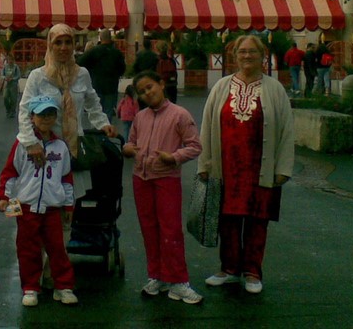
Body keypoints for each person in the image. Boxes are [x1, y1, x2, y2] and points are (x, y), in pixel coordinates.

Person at [17, 24, 118, 288]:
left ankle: (54, 271)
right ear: (50, 45)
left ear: (74, 46)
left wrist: (103, 124)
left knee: (65, 214)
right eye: (58, 42)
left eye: (68, 42)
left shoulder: (82, 74)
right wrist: (31, 143)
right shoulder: (38, 77)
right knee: (40, 213)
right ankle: (35, 274)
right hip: (44, 154)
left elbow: (93, 103)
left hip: (72, 153)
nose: (63, 48)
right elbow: (24, 111)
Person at [197, 34, 294, 295]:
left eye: (252, 52)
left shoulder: (274, 89)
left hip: (259, 167)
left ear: (263, 56)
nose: (247, 56)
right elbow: (207, 125)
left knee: (257, 220)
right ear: (235, 56)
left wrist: (283, 168)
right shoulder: (221, 87)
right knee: (226, 219)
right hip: (226, 167)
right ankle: (229, 269)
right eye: (242, 52)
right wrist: (204, 163)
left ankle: (252, 271)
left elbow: (286, 130)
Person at [123, 70, 203, 305]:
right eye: (142, 92)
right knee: (149, 229)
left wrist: (174, 157)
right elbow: (131, 142)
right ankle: (156, 276)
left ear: (161, 84)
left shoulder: (180, 114)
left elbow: (195, 146)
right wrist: (127, 149)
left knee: (170, 230)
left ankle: (178, 281)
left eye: (150, 87)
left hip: (166, 178)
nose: (147, 93)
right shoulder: (140, 117)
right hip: (141, 178)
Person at [0, 95, 78, 307]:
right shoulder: (22, 144)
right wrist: (3, 197)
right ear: (32, 117)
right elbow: (10, 173)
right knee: (28, 249)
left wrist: (68, 205)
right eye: (41, 114)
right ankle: (31, 287)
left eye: (51, 114)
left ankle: (63, 286)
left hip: (52, 208)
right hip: (26, 207)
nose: (46, 118)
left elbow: (66, 178)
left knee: (57, 249)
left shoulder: (60, 146)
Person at [78, 28, 126, 121]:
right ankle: (106, 128)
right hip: (111, 86)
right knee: (108, 111)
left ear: (100, 37)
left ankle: (98, 128)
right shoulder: (116, 53)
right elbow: (122, 69)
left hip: (97, 85)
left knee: (96, 111)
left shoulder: (94, 51)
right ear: (110, 37)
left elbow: (80, 62)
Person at [0, 53, 22, 118]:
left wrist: (13, 78)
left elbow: (19, 75)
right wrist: (5, 78)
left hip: (13, 85)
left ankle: (12, 112)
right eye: (9, 60)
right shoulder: (5, 67)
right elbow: (2, 75)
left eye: (11, 60)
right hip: (7, 85)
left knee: (13, 99)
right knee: (5, 97)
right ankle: (8, 110)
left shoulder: (16, 67)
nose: (10, 61)